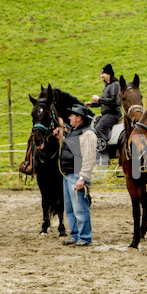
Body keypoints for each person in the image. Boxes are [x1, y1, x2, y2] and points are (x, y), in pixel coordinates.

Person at [53, 104, 98, 247]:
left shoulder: (88, 134)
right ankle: (75, 235)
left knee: (80, 208)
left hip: (77, 175)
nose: (69, 117)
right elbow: (70, 149)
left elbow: (89, 158)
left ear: (79, 118)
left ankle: (84, 237)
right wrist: (61, 138)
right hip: (69, 174)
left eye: (72, 115)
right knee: (71, 208)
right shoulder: (76, 131)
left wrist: (82, 177)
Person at [86, 63, 121, 155]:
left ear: (109, 74)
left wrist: (99, 99)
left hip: (113, 114)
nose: (101, 76)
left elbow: (114, 101)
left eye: (103, 74)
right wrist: (92, 104)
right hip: (107, 114)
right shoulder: (108, 86)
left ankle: (104, 154)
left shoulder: (115, 85)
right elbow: (105, 102)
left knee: (99, 130)